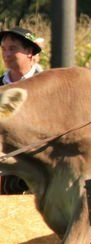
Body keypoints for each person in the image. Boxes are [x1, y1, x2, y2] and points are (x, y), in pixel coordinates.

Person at [0, 26, 43, 194]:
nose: (6, 54)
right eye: (4, 49)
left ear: (30, 52)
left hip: (39, 167)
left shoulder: (46, 85)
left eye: (13, 49)